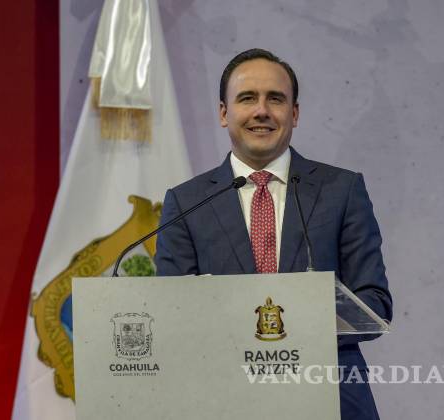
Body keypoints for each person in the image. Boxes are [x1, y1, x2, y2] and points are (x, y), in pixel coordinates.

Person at [155, 48, 392, 420]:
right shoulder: (186, 203)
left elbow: (374, 303)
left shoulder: (341, 190)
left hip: (329, 397)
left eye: (276, 99)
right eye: (247, 98)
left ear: (294, 114)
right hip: (223, 399)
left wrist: (294, 325)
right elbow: (171, 312)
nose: (261, 110)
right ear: (224, 113)